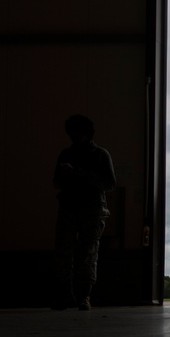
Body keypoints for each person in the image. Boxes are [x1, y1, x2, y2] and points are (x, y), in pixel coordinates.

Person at [52, 114, 116, 311]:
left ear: (88, 134)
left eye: (78, 133)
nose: (74, 137)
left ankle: (83, 296)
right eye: (72, 133)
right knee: (64, 253)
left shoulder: (100, 155)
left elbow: (110, 183)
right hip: (70, 208)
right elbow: (56, 183)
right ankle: (68, 296)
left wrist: (82, 175)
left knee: (87, 254)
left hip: (92, 210)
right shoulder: (66, 154)